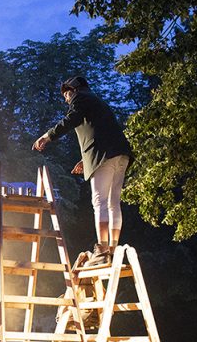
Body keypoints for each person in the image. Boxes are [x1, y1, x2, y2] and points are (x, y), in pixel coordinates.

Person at [32, 75, 133, 265]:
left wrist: (47, 136)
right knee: (113, 202)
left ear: (74, 89)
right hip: (120, 154)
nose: (66, 99)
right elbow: (101, 134)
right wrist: (86, 160)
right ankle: (112, 248)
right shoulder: (98, 102)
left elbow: (71, 120)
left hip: (104, 155)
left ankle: (103, 250)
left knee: (99, 202)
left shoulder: (82, 98)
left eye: (66, 95)